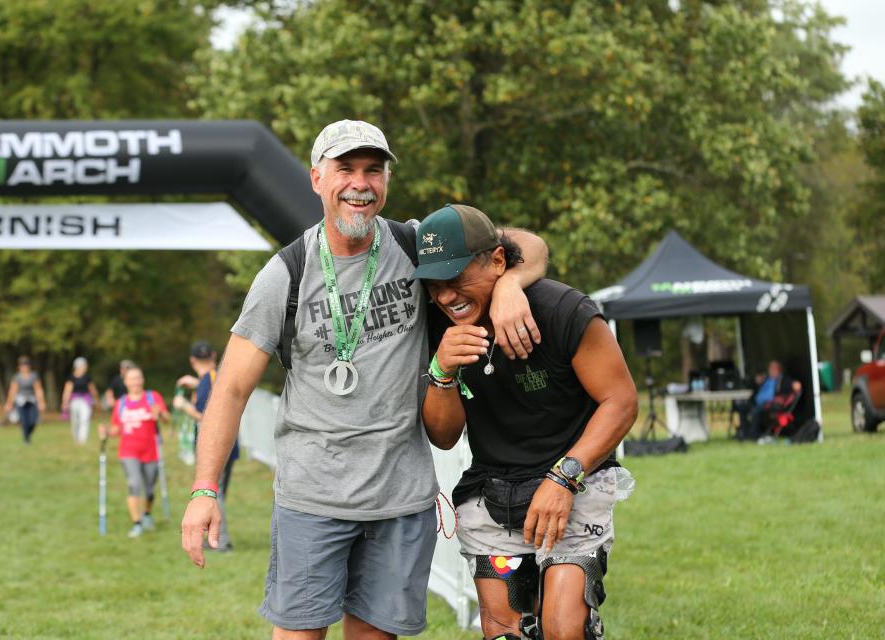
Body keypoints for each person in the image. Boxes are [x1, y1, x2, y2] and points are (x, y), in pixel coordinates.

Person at [181, 119, 548, 639]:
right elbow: (232, 388)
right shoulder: (285, 275)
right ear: (315, 179)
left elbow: (529, 245)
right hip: (313, 499)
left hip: (400, 499)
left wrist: (508, 282)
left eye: (373, 170)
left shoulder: (415, 244)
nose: (361, 183)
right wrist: (204, 490)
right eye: (346, 168)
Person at [415, 204, 639, 640]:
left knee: (563, 629)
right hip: (492, 494)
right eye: (434, 287)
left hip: (575, 484)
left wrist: (563, 478)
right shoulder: (437, 325)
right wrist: (441, 372)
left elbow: (621, 401)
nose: (446, 297)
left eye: (457, 280)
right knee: (504, 633)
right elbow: (444, 437)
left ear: (497, 261)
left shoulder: (560, 309)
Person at [174, 340, 237, 551]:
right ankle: (216, 538)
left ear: (192, 360)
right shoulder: (216, 376)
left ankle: (221, 542)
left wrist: (183, 406)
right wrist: (197, 383)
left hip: (213, 448)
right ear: (214, 356)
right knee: (217, 495)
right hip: (229, 445)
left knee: (211, 494)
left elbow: (204, 416)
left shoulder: (206, 381)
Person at [99, 366, 170, 538]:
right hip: (128, 451)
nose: (135, 382)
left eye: (138, 378)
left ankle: (146, 514)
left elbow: (168, 419)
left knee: (149, 489)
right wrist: (106, 432)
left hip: (151, 451)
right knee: (134, 483)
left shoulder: (153, 398)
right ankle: (136, 522)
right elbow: (117, 429)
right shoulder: (121, 403)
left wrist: (159, 414)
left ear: (142, 379)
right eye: (131, 379)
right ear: (126, 382)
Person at [736, 360, 798, 441]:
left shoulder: (783, 380)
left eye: (773, 368)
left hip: (770, 405)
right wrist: (756, 381)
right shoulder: (765, 378)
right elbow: (750, 385)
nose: (770, 370)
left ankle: (752, 434)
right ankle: (744, 431)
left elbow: (792, 386)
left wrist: (794, 384)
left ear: (778, 370)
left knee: (755, 411)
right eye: (770, 368)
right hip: (756, 402)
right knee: (742, 407)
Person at [4, 356, 46, 444]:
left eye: (26, 365)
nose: (24, 367)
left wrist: (41, 402)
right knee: (24, 420)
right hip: (20, 401)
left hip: (32, 400)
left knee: (33, 420)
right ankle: (26, 438)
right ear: (19, 367)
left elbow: (38, 389)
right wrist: (9, 403)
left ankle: (28, 434)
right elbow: (13, 390)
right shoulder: (17, 377)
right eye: (22, 365)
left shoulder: (33, 376)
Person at [61, 357, 100, 444]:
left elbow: (92, 389)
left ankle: (82, 440)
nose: (85, 367)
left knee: (85, 419)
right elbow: (67, 390)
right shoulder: (71, 378)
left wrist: (96, 400)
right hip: (74, 401)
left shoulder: (87, 377)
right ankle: (76, 438)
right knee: (75, 421)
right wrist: (65, 402)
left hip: (85, 401)